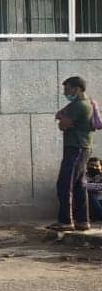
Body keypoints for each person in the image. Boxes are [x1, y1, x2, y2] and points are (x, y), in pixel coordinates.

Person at [49, 76, 95, 231]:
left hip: (75, 148)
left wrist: (62, 117)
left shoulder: (79, 106)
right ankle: (82, 221)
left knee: (64, 185)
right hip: (83, 148)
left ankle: (66, 221)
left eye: (67, 89)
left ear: (77, 89)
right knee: (79, 185)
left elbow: (63, 125)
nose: (64, 92)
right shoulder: (85, 103)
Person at [84, 157, 102, 225]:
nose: (94, 167)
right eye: (92, 165)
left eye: (97, 166)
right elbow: (83, 186)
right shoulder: (83, 176)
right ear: (87, 166)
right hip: (91, 206)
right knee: (91, 193)